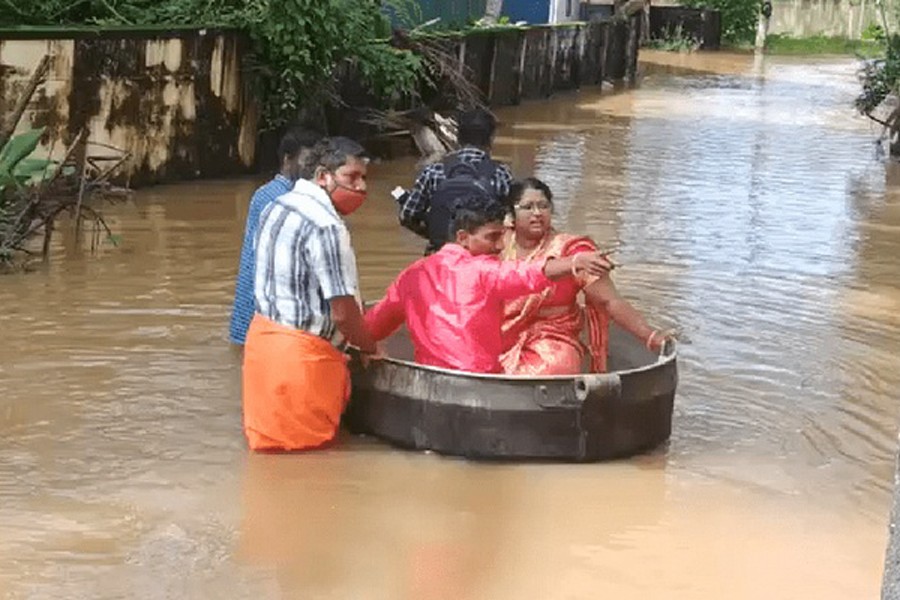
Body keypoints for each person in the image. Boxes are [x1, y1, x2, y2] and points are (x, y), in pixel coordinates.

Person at [364, 194, 614, 374]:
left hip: (431, 378)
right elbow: (529, 273)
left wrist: (368, 348)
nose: (500, 246)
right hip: (479, 379)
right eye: (492, 237)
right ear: (463, 237)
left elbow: (371, 327)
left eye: (501, 236)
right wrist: (575, 261)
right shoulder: (484, 271)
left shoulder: (411, 276)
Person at [241, 137, 378, 452]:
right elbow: (343, 309)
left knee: (270, 460)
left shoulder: (276, 205)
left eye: (364, 179)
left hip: (263, 348)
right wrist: (369, 346)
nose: (361, 188)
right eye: (351, 177)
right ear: (322, 176)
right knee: (309, 465)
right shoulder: (328, 226)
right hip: (301, 361)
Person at [500, 177, 668, 376]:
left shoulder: (573, 250)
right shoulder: (497, 244)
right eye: (527, 207)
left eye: (543, 206)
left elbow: (609, 301)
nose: (537, 213)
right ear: (511, 214)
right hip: (501, 334)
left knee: (553, 366)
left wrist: (650, 336)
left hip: (552, 340)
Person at [229, 127, 323, 345]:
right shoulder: (282, 198)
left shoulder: (271, 194)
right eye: (308, 161)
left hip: (259, 313)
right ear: (287, 159)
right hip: (265, 312)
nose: (315, 168)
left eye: (319, 162)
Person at [397, 108, 514, 254]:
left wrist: (432, 232)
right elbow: (513, 220)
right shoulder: (501, 174)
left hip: (439, 257)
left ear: (458, 137)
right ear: (491, 139)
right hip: (482, 261)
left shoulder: (433, 171)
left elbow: (407, 215)